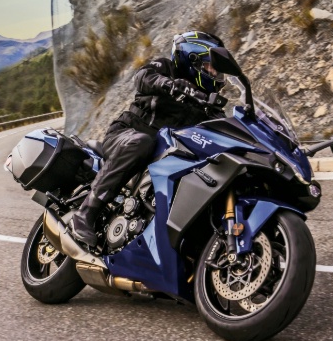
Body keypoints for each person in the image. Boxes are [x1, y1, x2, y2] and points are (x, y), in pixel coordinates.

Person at [70, 31, 227, 247]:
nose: (215, 73)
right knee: (141, 142)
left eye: (217, 69)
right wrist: (171, 85)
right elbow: (142, 77)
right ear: (193, 59)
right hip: (125, 135)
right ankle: (85, 213)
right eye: (210, 66)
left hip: (161, 157)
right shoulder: (166, 68)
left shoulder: (206, 104)